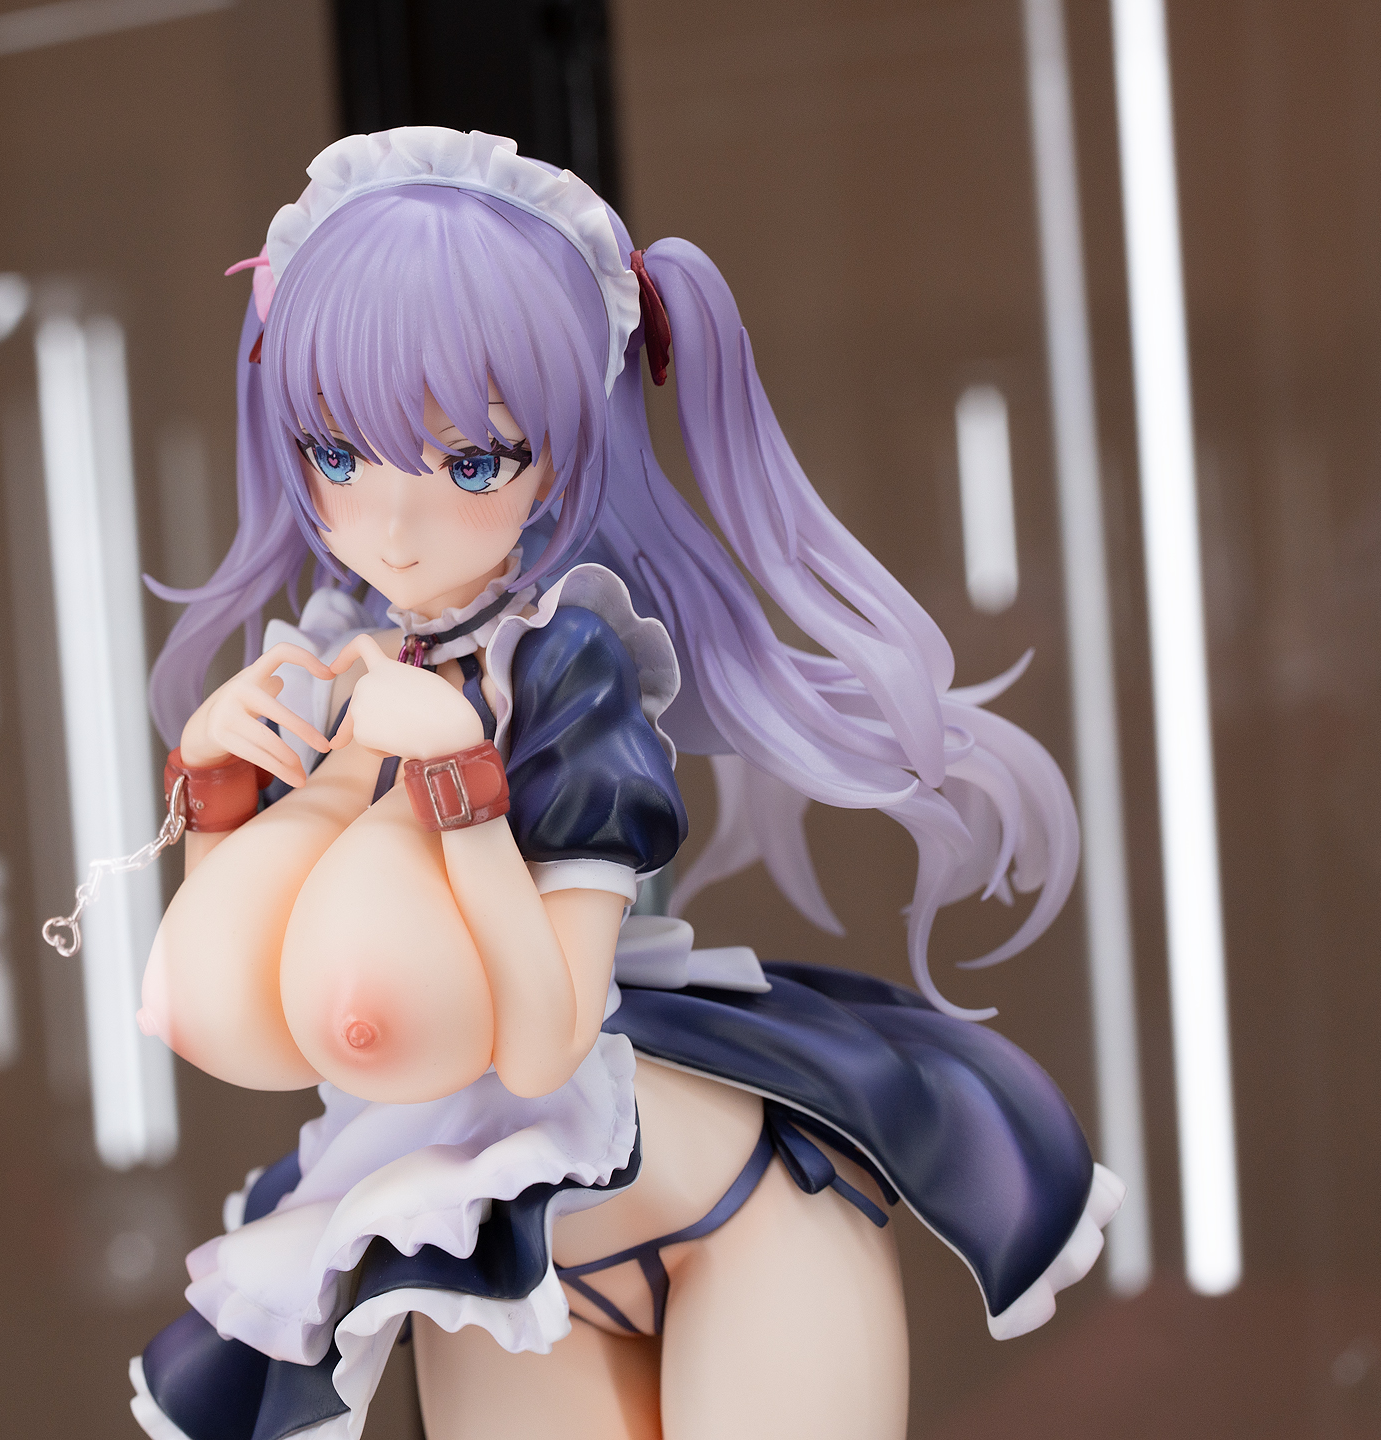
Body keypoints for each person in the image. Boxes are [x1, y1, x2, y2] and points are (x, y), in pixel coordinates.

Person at [122, 128, 1121, 1440]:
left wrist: (458, 789)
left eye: (471, 461)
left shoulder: (569, 661)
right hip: (496, 1250)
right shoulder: (333, 663)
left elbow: (544, 1035)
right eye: (339, 454)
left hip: (729, 1223)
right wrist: (215, 789)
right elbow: (245, 1008)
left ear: (560, 450)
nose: (394, 523)